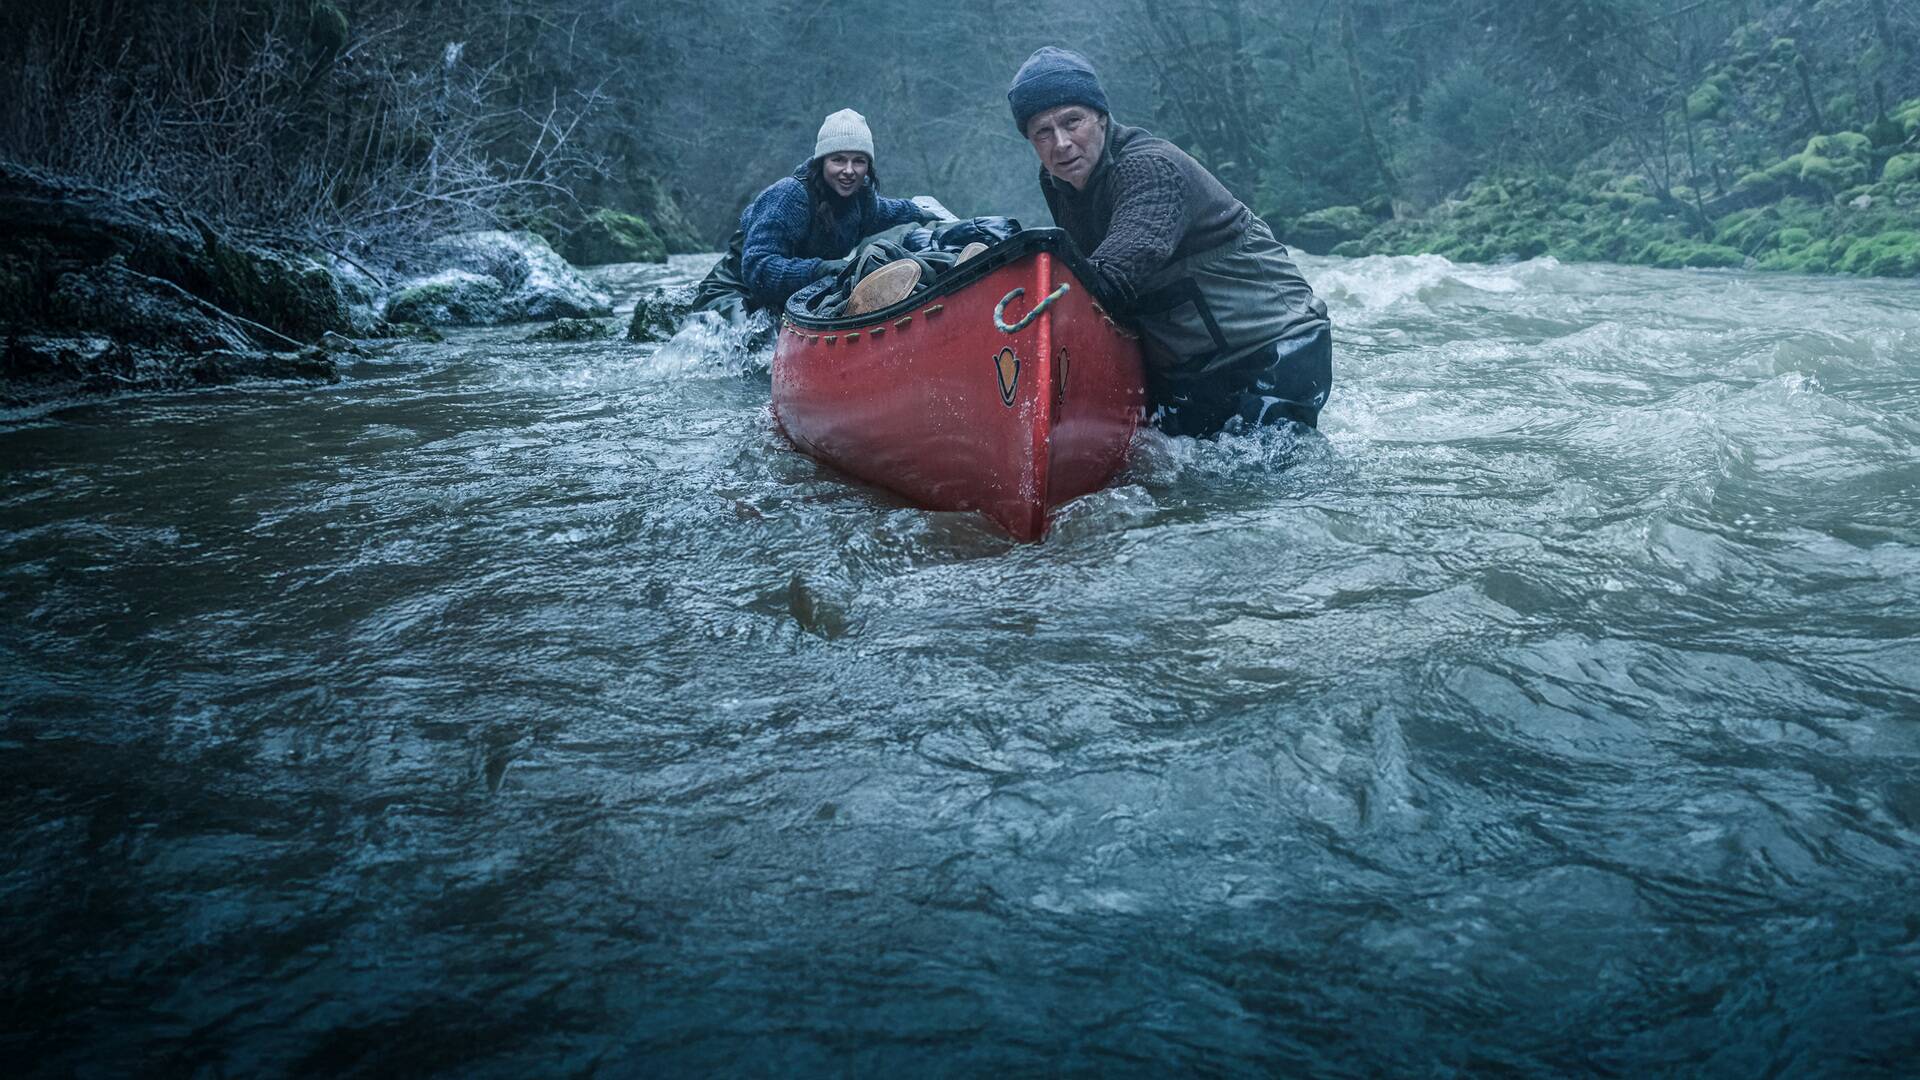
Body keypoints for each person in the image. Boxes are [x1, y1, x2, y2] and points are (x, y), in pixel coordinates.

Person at [1008, 46, 1333, 436]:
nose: (1061, 143)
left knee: (1261, 481)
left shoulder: (1150, 168)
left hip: (1272, 348)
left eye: (1072, 121)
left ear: (1101, 117)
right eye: (1043, 132)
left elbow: (1110, 280)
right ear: (1031, 141)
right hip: (1191, 364)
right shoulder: (1058, 181)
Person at [688, 108, 940, 320]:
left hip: (790, 298)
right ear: (822, 162)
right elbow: (759, 269)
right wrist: (821, 270)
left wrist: (921, 210)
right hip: (734, 293)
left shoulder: (862, 200)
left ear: (868, 166)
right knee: (755, 345)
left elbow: (888, 210)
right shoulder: (789, 196)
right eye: (839, 160)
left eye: (859, 161)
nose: (849, 171)